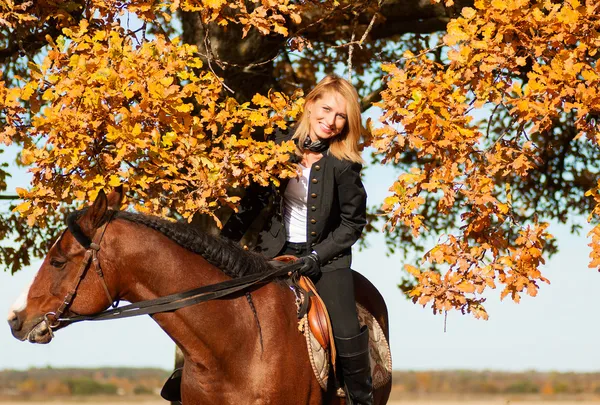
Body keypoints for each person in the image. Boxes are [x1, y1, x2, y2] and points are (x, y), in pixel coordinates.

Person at [221, 74, 371, 405]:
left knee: (346, 329)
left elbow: (353, 223)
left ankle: (362, 399)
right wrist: (223, 242)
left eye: (341, 116)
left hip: (327, 260)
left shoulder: (344, 164)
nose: (331, 121)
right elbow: (253, 204)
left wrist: (318, 256)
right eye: (327, 109)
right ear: (311, 103)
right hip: (273, 252)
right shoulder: (277, 146)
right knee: (223, 302)